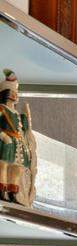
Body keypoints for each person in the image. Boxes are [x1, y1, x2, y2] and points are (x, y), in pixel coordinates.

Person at [0, 69, 35, 205]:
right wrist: (3, 136)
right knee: (3, 165)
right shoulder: (1, 109)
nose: (15, 96)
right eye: (12, 92)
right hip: (6, 140)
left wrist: (26, 117)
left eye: (16, 93)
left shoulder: (15, 113)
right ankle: (1, 192)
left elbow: (24, 128)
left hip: (17, 143)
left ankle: (12, 194)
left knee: (17, 168)